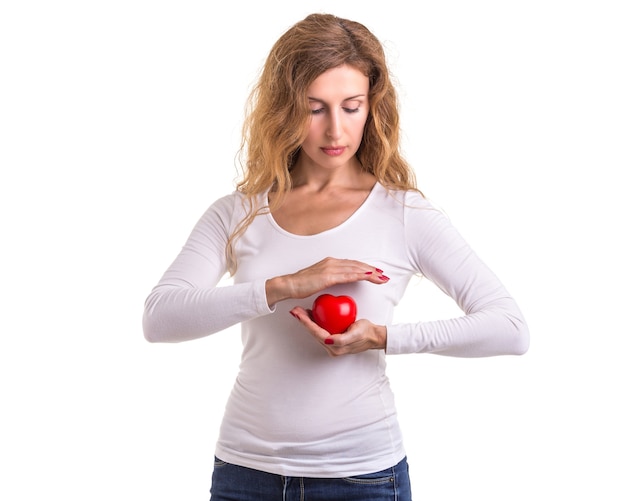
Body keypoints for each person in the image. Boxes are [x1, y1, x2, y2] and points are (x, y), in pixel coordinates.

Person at [142, 12, 529, 501]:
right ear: (285, 109)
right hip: (245, 474)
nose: (334, 130)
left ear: (373, 106)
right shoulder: (237, 212)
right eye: (314, 108)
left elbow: (510, 328)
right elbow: (160, 318)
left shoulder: (403, 213)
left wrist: (383, 338)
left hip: (364, 478)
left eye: (351, 106)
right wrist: (284, 285)